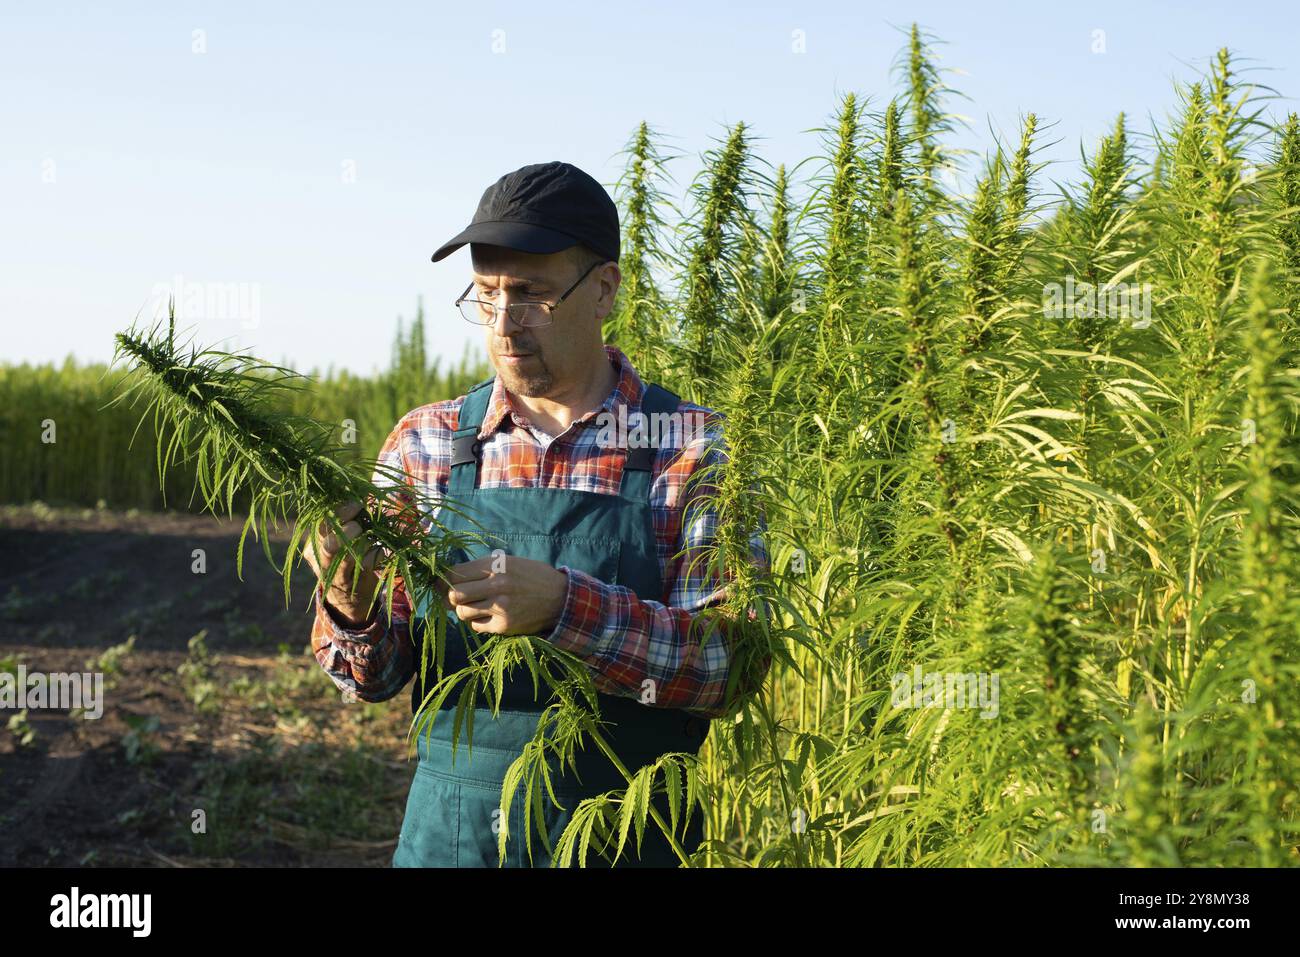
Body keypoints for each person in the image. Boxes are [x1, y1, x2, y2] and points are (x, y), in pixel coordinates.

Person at [302, 160, 769, 868]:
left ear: (604, 288)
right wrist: (348, 598)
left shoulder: (692, 448)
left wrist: (564, 607)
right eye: (485, 294)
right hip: (451, 842)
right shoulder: (426, 444)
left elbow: (728, 665)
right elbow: (371, 679)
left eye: (531, 295)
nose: (503, 323)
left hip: (628, 840)